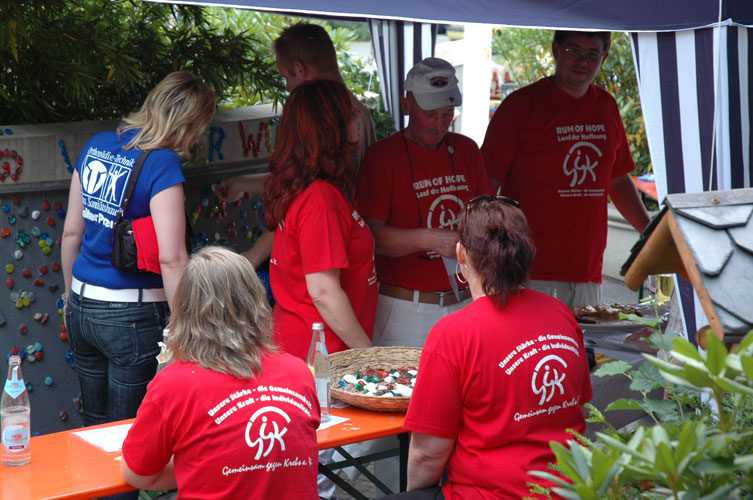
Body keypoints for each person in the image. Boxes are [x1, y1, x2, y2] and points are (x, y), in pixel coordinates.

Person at [382, 195, 592, 500]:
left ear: (461, 254)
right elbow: (578, 407)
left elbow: (428, 453)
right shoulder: (560, 313)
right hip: (572, 489)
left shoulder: (454, 333)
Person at [62, 71, 215, 432]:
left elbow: (70, 233)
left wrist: (69, 299)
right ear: (190, 123)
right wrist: (183, 325)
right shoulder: (162, 163)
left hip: (81, 306)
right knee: (128, 432)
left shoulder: (97, 145)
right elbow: (172, 257)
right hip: (132, 315)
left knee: (94, 428)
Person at [121, 246, 320, 499]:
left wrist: (201, 468)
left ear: (185, 310)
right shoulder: (298, 372)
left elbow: (136, 475)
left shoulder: (173, 384)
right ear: (257, 303)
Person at [481, 31, 651, 307]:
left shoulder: (606, 106)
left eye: (592, 54)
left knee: (584, 337)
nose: (582, 61)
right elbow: (486, 184)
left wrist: (650, 233)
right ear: (555, 49)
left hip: (587, 273)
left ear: (604, 57)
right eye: (574, 51)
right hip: (528, 272)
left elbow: (617, 180)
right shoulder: (520, 106)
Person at [357, 57, 493, 348]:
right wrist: (429, 239)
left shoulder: (467, 149)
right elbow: (369, 237)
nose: (439, 125)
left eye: (447, 115)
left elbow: (488, 218)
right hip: (406, 308)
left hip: (465, 300)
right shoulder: (383, 157)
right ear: (406, 105)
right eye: (430, 115)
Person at [217, 22, 377, 268]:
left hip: (325, 252)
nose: (287, 87)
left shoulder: (324, 119)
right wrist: (241, 183)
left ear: (300, 69)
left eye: (286, 77)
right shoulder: (360, 113)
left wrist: (255, 255)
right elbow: (301, 180)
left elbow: (302, 189)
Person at [263, 78, 377, 360]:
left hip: (313, 346)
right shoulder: (320, 199)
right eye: (350, 113)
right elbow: (323, 291)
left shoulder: (309, 187)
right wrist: (370, 356)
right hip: (322, 355)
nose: (358, 116)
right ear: (330, 127)